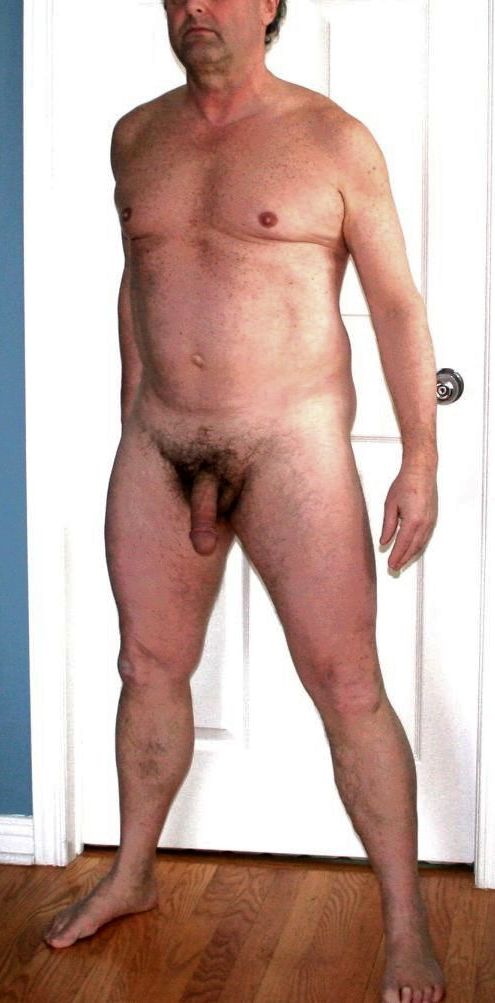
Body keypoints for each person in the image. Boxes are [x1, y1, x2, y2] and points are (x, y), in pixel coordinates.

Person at [43, 1, 446, 999]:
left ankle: (406, 924)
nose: (195, 8)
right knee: (146, 665)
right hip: (159, 443)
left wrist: (420, 457)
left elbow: (396, 304)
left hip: (290, 449)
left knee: (347, 684)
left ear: (270, 6)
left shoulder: (333, 140)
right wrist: (132, 413)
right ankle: (133, 870)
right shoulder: (135, 135)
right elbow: (139, 277)